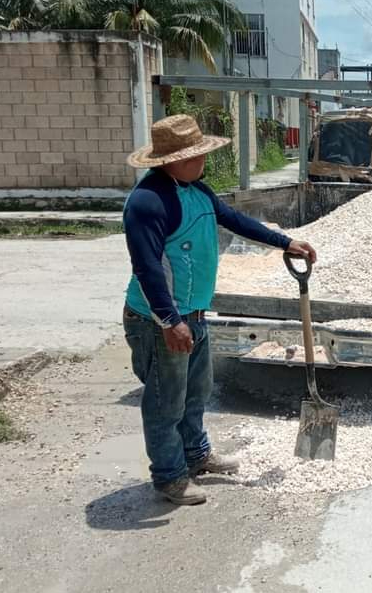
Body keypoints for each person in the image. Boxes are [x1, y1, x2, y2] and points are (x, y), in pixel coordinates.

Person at [123, 114, 316, 505]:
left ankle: (196, 457)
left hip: (193, 314)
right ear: (172, 160)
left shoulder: (197, 191)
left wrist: (284, 242)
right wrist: (170, 320)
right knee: (166, 403)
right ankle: (170, 478)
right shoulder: (148, 202)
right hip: (159, 320)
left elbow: (235, 221)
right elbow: (147, 267)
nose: (204, 162)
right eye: (197, 156)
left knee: (197, 392)